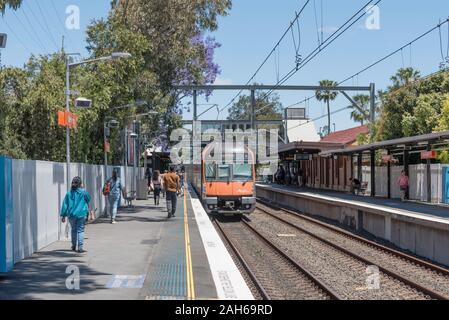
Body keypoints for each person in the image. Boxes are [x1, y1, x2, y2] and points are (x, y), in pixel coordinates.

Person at [60, 177, 91, 253]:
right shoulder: (84, 192)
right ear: (80, 184)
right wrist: (83, 188)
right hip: (81, 214)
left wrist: (63, 215)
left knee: (73, 229)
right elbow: (88, 199)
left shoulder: (68, 193)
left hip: (71, 215)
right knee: (80, 230)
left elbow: (65, 205)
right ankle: (80, 247)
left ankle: (73, 245)